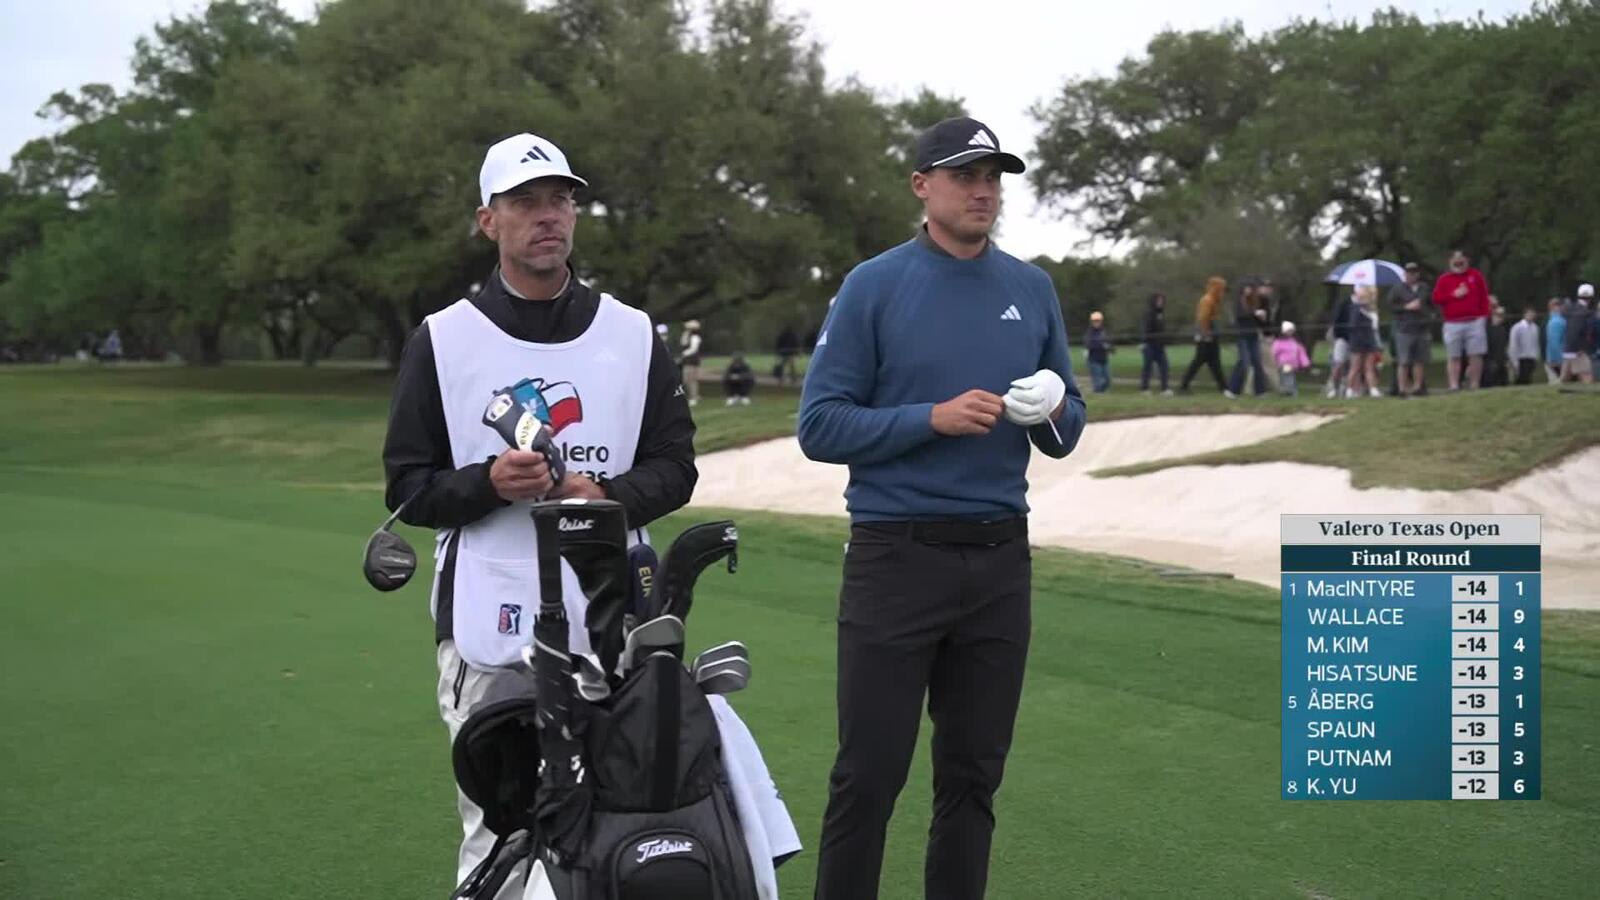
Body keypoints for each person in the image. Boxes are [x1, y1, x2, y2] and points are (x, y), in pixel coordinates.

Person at [380, 132, 697, 895]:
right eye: (525, 202)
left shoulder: (632, 333)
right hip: (492, 621)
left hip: (613, 613)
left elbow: (676, 468)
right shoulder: (444, 339)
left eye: (560, 199)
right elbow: (408, 488)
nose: (547, 216)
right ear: (489, 221)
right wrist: (490, 482)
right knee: (500, 832)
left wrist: (607, 495)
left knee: (624, 819)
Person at [796, 115, 1086, 900]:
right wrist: (932, 417)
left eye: (994, 177)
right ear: (923, 186)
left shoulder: (1032, 289)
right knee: (870, 774)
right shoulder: (875, 285)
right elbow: (819, 426)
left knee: (972, 777)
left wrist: (1053, 408)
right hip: (897, 556)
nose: (984, 191)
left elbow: (1067, 429)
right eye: (966, 176)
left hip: (999, 560)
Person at [1431, 250, 1491, 390]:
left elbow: (1484, 297)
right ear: (1450, 262)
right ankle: (1454, 385)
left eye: (1461, 260)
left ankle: (1475, 384)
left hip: (1474, 321)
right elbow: (1436, 298)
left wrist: (1484, 317)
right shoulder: (1444, 279)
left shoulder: (1475, 276)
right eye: (1455, 260)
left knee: (1475, 355)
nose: (1458, 262)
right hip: (1452, 323)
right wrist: (1453, 295)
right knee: (1454, 356)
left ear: (1467, 260)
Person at [1386, 262, 1432, 396]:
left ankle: (1418, 387)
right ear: (1405, 274)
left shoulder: (1424, 288)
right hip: (1404, 329)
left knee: (1419, 360)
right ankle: (1402, 388)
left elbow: (1431, 303)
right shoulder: (1397, 288)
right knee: (1404, 361)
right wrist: (1406, 307)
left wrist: (1429, 314)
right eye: (1408, 273)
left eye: (1414, 272)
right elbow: (1390, 306)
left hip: (1421, 327)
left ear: (1418, 274)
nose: (1411, 275)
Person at [1179, 276, 1228, 393]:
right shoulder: (1207, 300)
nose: (1223, 292)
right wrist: (1206, 334)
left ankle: (1224, 388)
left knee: (1214, 363)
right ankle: (1183, 386)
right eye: (1221, 289)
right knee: (1199, 361)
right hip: (1205, 335)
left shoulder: (1214, 300)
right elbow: (1203, 319)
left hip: (1209, 333)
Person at [1226, 277, 1271, 398]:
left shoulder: (1254, 302)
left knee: (1257, 362)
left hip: (1253, 335)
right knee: (1244, 362)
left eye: (1251, 288)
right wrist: (1255, 313)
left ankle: (1260, 391)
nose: (1249, 291)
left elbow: (1259, 321)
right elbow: (1240, 316)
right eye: (1247, 288)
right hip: (1242, 335)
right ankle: (1232, 390)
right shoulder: (1239, 302)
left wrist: (1262, 318)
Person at [1345, 285, 1383, 398]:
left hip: (1370, 341)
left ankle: (1373, 389)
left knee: (1369, 367)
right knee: (1355, 367)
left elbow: (1375, 328)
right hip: (1358, 341)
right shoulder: (1356, 308)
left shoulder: (1373, 310)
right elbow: (1353, 325)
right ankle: (1349, 390)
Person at [1139, 292, 1172, 395]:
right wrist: (1144, 342)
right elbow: (1146, 329)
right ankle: (1144, 389)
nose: (1160, 303)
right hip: (1150, 345)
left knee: (1164, 367)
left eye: (1161, 301)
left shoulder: (1161, 314)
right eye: (1158, 301)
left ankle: (1164, 388)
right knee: (1147, 367)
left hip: (1160, 346)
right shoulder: (1149, 314)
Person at [1561, 284, 1595, 383]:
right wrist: (1580, 348)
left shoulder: (1571, 309)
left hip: (1568, 348)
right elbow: (1576, 330)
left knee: (1565, 379)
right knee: (1587, 376)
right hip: (1577, 350)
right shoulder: (1584, 313)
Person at [1271, 320, 1311, 396]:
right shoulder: (1278, 342)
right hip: (1284, 364)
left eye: (1292, 331)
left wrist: (1305, 362)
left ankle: (1289, 392)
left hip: (1293, 365)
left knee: (1290, 378)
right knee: (1288, 378)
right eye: (1289, 331)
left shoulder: (1294, 342)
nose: (1291, 332)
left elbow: (1300, 352)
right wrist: (1275, 362)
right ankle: (1291, 392)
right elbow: (1274, 353)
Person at [1508, 306, 1541, 385]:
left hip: (1531, 357)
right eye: (1529, 313)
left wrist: (1536, 356)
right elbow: (1513, 344)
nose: (1531, 315)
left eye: (1533, 313)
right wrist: (1514, 359)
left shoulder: (1535, 328)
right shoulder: (1517, 327)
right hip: (1521, 357)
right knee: (1522, 378)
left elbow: (1536, 343)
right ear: (1525, 314)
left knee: (1528, 378)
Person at [1085, 310, 1113, 392]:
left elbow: (1109, 343)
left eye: (1098, 321)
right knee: (1098, 381)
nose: (1096, 323)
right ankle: (1098, 394)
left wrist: (1111, 348)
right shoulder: (1089, 333)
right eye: (1095, 321)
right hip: (1094, 359)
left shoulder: (1104, 332)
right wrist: (1101, 345)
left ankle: (1101, 393)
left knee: (1107, 380)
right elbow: (1088, 344)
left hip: (1104, 359)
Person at [1483, 301, 1509, 388]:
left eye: (1502, 316)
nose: (1501, 318)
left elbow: (1503, 347)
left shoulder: (1502, 329)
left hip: (1501, 362)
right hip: (1489, 362)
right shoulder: (1486, 330)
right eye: (1498, 315)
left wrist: (1506, 359)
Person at [678, 319, 703, 406]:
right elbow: (683, 342)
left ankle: (694, 397)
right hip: (687, 361)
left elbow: (693, 349)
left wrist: (684, 354)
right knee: (686, 380)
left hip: (693, 361)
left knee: (692, 380)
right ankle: (692, 396)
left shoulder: (695, 337)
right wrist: (685, 333)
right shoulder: (687, 336)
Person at [1544, 297, 1568, 383]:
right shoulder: (1557, 321)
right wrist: (1557, 360)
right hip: (1558, 360)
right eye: (1557, 305)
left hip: (1557, 358)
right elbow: (1554, 342)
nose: (1561, 307)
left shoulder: (1557, 320)